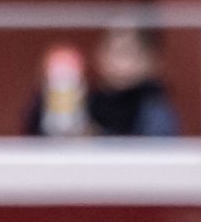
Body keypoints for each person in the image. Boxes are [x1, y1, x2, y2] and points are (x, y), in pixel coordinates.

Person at [24, 23, 181, 138]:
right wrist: (44, 101)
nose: (112, 60)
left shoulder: (152, 107)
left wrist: (95, 140)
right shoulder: (91, 100)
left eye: (124, 53)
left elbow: (153, 159)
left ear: (149, 61)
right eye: (109, 49)